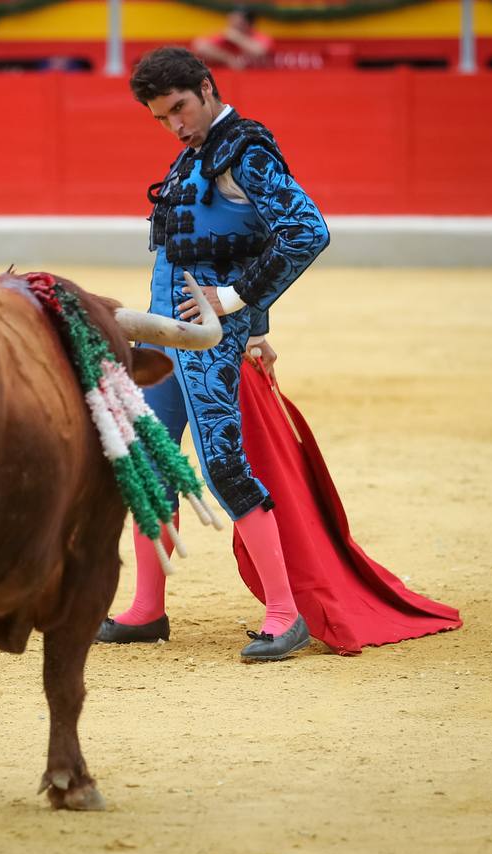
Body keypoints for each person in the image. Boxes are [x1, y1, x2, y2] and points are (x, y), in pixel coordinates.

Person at [96, 46, 329, 660]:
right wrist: (256, 325)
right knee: (148, 458)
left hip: (206, 336)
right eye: (161, 118)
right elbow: (247, 238)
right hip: (165, 332)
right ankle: (147, 609)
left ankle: (285, 614)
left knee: (224, 464)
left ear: (206, 88)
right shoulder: (196, 153)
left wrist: (237, 304)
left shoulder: (245, 151)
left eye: (180, 108)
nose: (175, 125)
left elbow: (306, 232)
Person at [192, 8, 273, 71]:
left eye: (237, 21)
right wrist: (229, 59)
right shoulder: (226, 36)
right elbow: (200, 46)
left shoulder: (259, 36)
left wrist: (236, 37)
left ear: (247, 23)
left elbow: (259, 51)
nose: (232, 24)